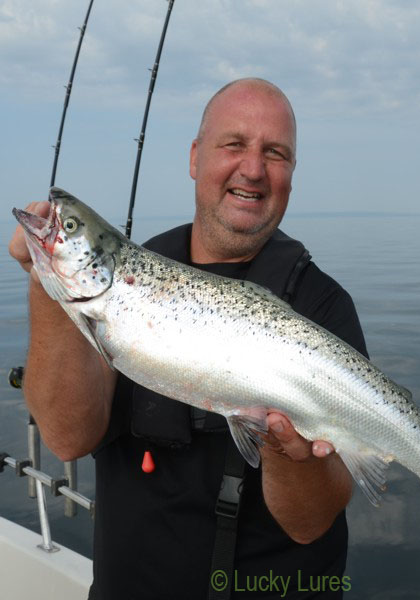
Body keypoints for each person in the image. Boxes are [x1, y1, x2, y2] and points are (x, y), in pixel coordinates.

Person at [9, 78, 368, 599]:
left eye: (276, 153)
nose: (253, 168)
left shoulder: (322, 308)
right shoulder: (131, 280)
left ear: (292, 173)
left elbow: (311, 522)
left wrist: (286, 452)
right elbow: (66, 437)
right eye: (234, 144)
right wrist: (47, 278)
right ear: (196, 157)